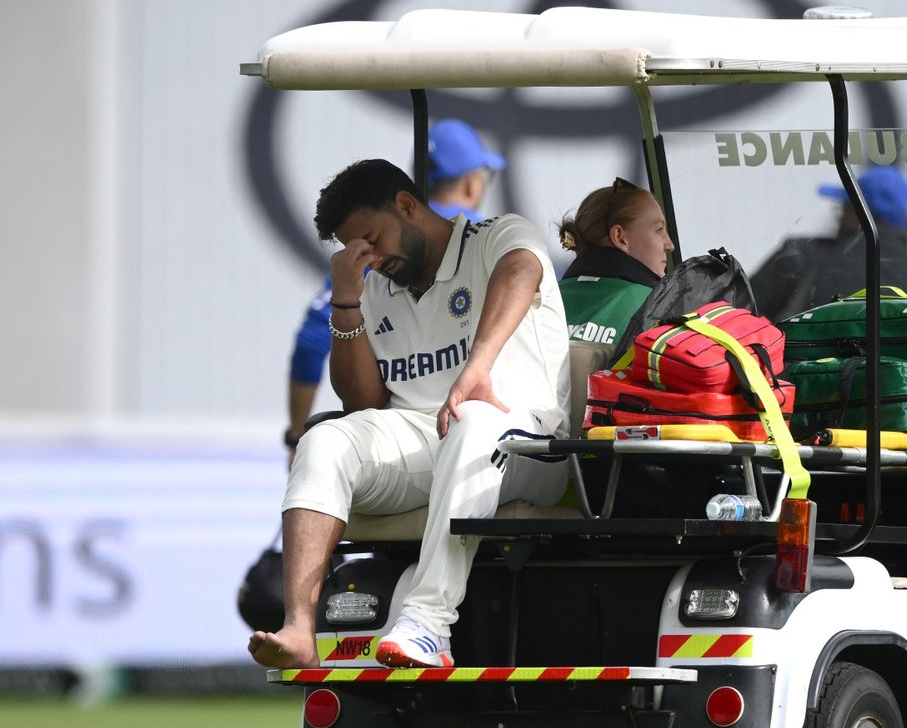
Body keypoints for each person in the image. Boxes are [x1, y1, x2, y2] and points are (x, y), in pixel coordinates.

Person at [249, 159, 570, 670]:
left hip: (528, 442)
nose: (370, 258)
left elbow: (522, 269)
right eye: (356, 249)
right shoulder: (372, 285)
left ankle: (428, 624)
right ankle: (299, 628)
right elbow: (363, 405)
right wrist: (347, 300)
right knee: (327, 439)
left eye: (373, 239)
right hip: (427, 438)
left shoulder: (496, 236)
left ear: (407, 206)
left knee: (473, 419)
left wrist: (478, 366)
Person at [283, 119, 507, 459]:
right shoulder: (483, 241)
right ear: (471, 182)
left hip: (395, 447)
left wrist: (296, 435)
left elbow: (310, 343)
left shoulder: (369, 250)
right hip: (485, 438)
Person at [750, 165, 907, 321]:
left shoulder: (800, 257)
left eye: (843, 208)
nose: (838, 217)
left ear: (857, 214)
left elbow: (732, 320)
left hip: (807, 383)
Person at [557, 177, 674, 345]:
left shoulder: (542, 301)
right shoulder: (658, 306)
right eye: (659, 230)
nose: (670, 245)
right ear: (620, 238)